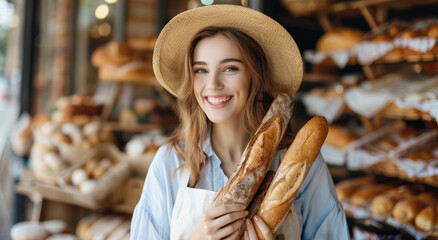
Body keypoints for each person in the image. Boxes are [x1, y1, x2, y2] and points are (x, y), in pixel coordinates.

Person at [131, 4, 349, 240]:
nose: (213, 84)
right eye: (201, 70)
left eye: (230, 68)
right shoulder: (170, 163)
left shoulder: (303, 165)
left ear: (255, 77)